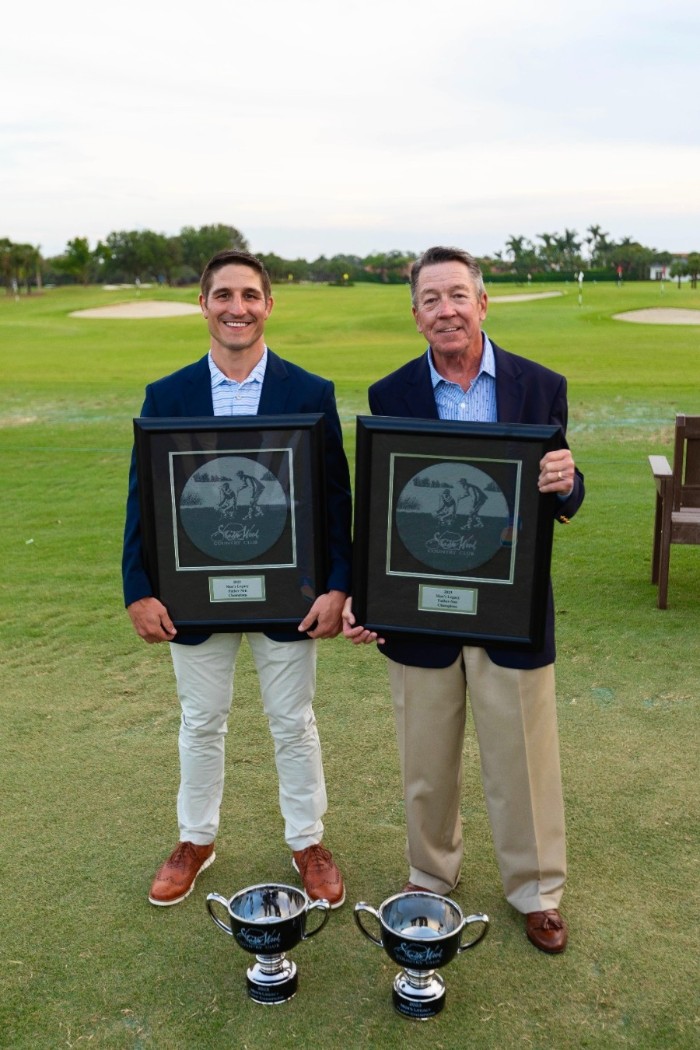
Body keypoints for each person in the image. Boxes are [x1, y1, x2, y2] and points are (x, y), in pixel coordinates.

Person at [343, 246, 584, 953]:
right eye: (430, 300)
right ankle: (430, 874)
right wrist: (367, 596)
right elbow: (383, 508)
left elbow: (561, 489)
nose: (445, 309)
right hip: (418, 610)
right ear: (415, 315)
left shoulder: (540, 386)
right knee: (426, 759)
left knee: (525, 761)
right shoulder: (392, 395)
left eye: (457, 295)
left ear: (482, 302)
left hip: (509, 610)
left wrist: (567, 482)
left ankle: (535, 890)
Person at [123, 250, 351, 909]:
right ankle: (196, 840)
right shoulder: (168, 395)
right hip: (192, 592)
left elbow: (334, 499)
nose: (237, 307)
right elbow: (146, 501)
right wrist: (139, 588)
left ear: (268, 305)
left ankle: (307, 842)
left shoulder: (309, 391)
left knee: (292, 720)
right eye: (223, 294)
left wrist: (338, 584)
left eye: (250, 295)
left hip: (290, 592)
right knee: (200, 720)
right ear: (204, 304)